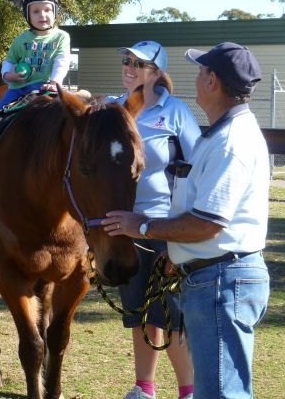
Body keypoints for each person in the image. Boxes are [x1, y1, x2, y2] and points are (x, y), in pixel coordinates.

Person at [104, 42, 270, 399]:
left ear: (212, 81)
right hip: (208, 269)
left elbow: (208, 222)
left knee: (221, 391)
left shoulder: (229, 141)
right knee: (220, 387)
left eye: (199, 72)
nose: (193, 79)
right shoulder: (223, 133)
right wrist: (175, 251)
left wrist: (144, 227)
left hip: (222, 277)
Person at [107, 41, 202, 399]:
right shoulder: (115, 109)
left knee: (171, 314)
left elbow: (197, 165)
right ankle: (144, 388)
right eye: (127, 60)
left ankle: (188, 391)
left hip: (167, 226)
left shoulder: (175, 111)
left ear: (157, 73)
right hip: (124, 226)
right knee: (137, 313)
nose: (130, 66)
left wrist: (186, 227)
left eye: (140, 63)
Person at [0, 0, 71, 111]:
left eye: (47, 10)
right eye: (36, 11)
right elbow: (10, 60)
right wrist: (7, 75)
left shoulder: (62, 37)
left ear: (55, 11)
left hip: (46, 87)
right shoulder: (20, 40)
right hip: (18, 89)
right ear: (27, 15)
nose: (42, 15)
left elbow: (62, 60)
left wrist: (55, 82)